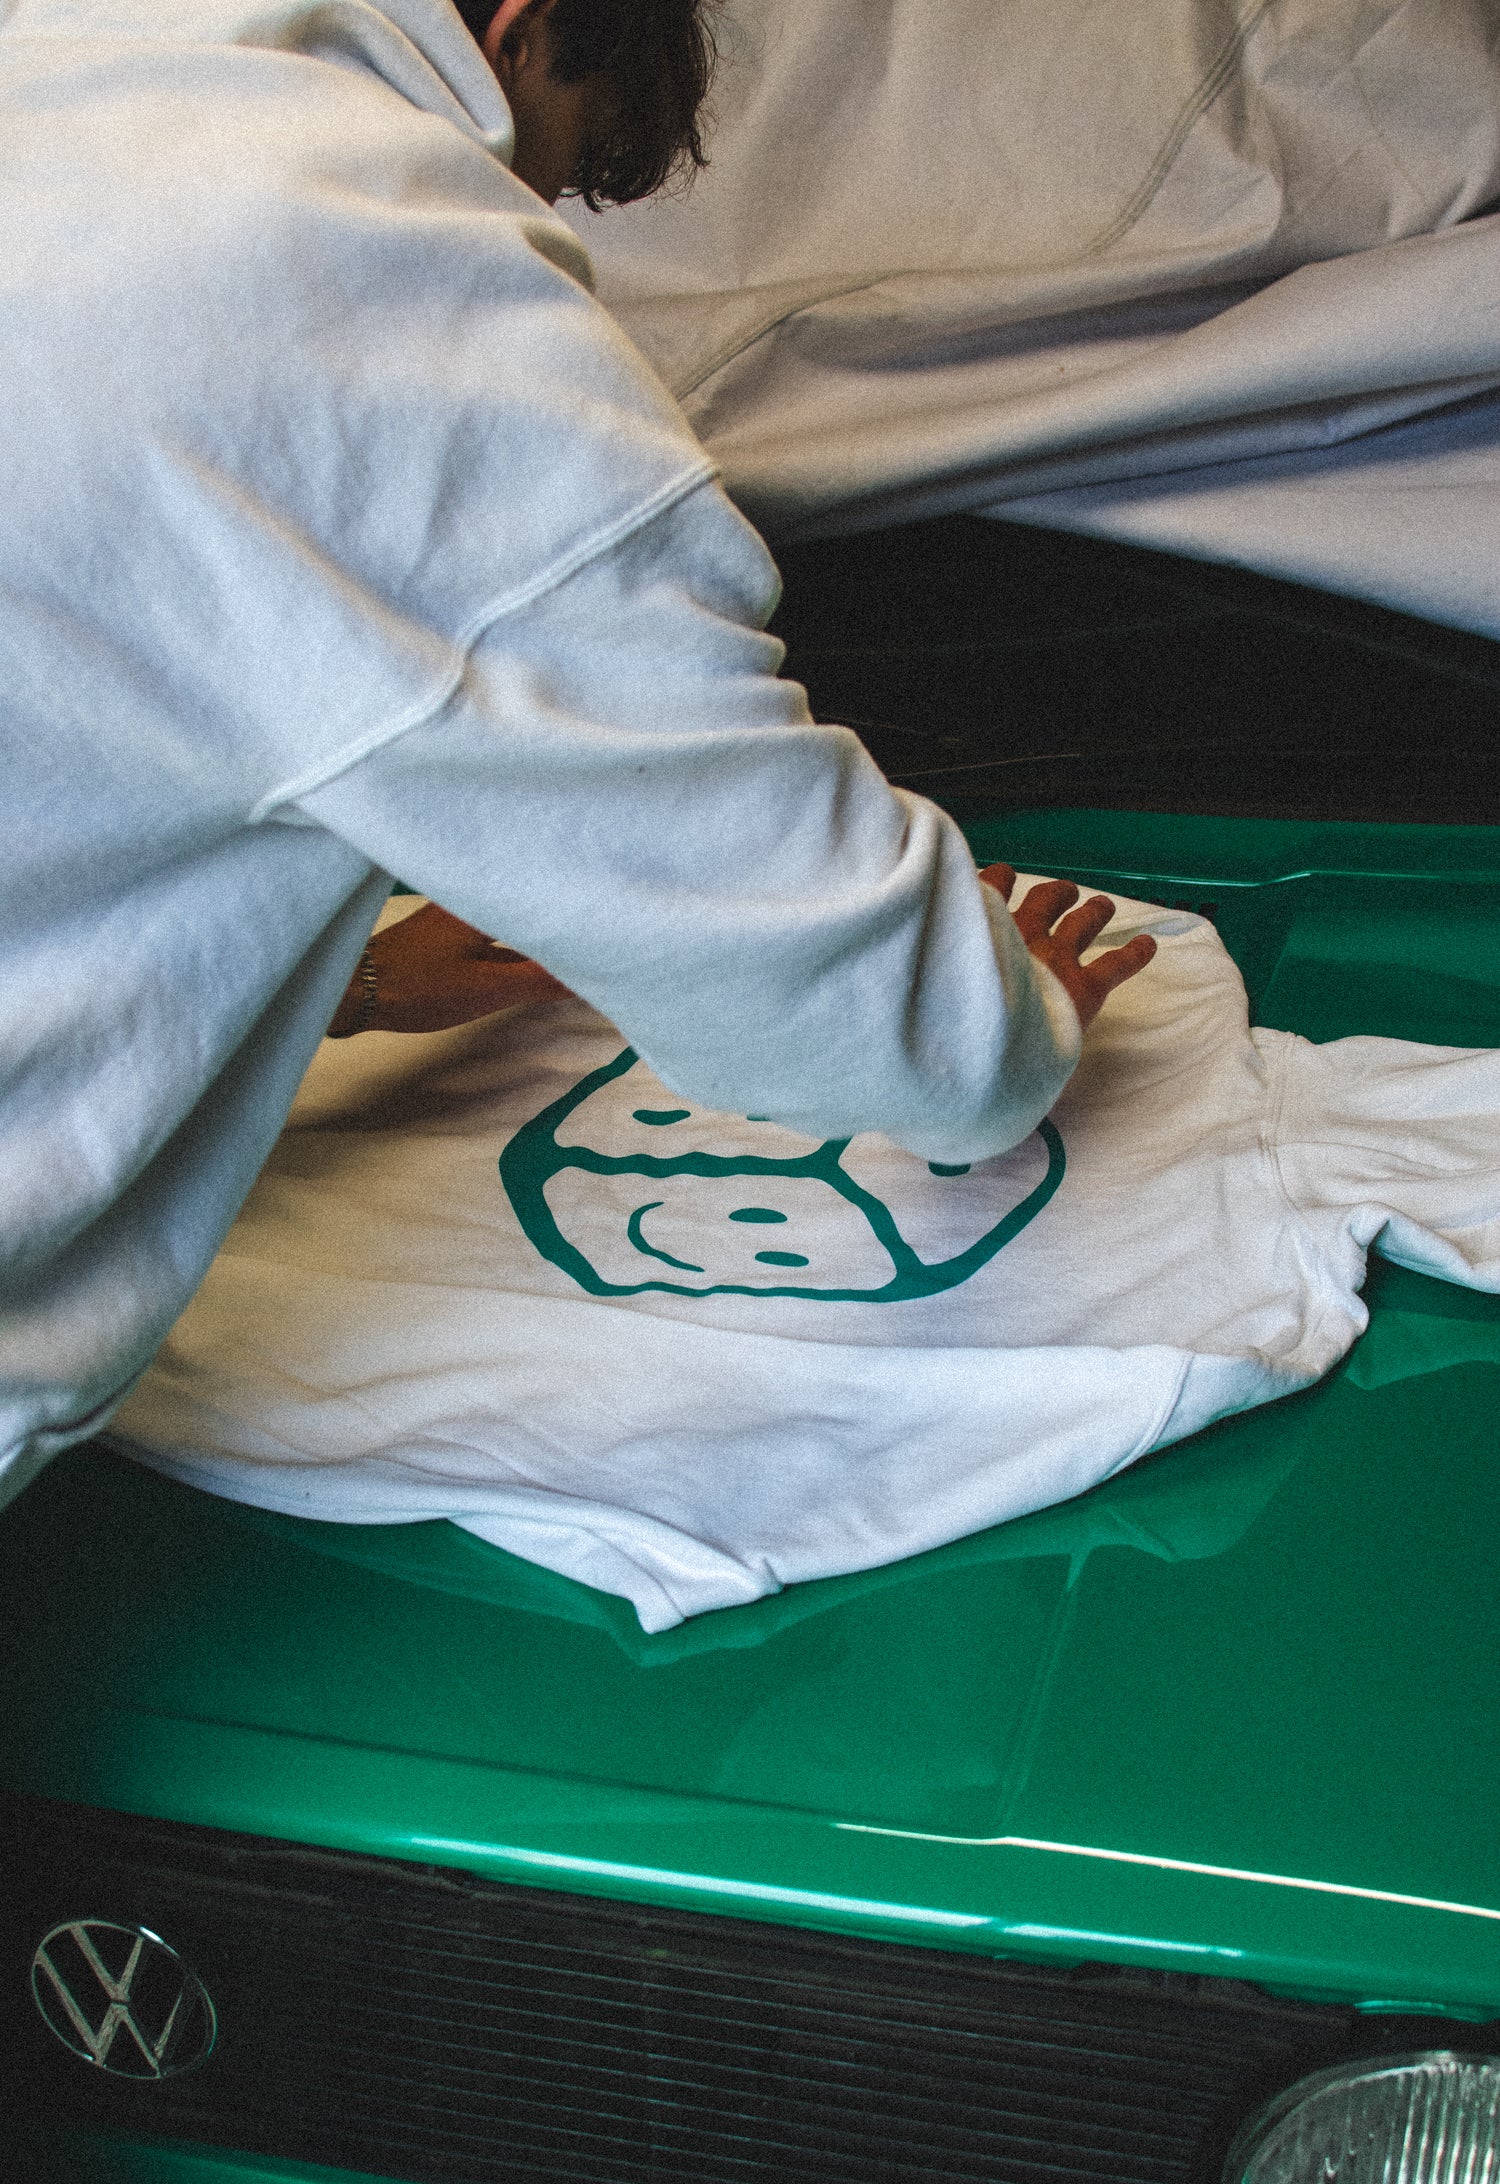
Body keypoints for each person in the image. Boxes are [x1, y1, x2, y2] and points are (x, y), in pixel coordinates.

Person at [0, 0, 1152, 1508]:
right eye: (556, 163)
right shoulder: (365, 272)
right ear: (525, 31)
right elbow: (838, 989)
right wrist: (996, 1016)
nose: (524, 216)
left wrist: (328, 982)